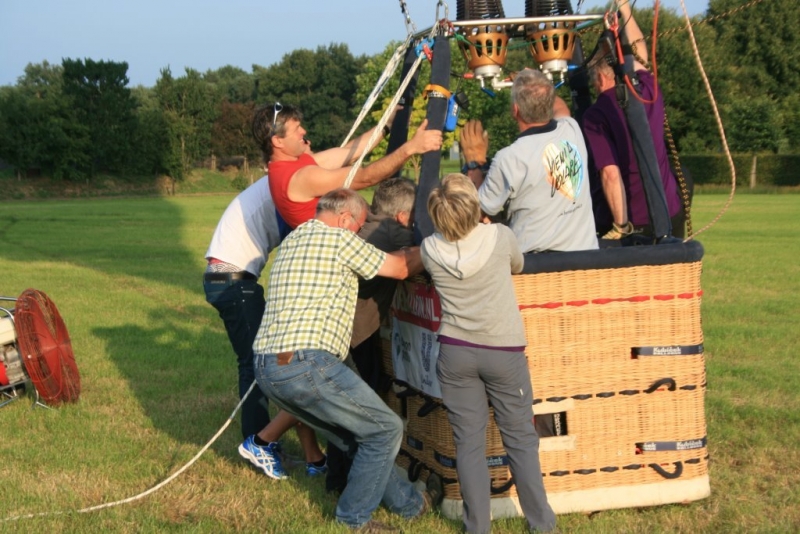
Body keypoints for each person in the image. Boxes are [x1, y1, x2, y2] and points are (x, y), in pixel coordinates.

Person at [252, 188, 440, 532]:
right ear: (343, 219)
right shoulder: (339, 239)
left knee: (358, 436)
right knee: (386, 429)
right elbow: (400, 268)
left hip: (268, 367)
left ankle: (409, 505)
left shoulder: (295, 239)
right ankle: (353, 519)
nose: (360, 233)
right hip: (307, 363)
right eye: (359, 226)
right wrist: (435, 247)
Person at [420, 173, 557, 534]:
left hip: (455, 352)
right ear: (474, 205)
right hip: (503, 351)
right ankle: (542, 524)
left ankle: (477, 527)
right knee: (521, 440)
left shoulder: (429, 248)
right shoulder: (500, 236)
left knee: (468, 444)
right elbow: (518, 264)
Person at [203, 176, 327, 481]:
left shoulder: (284, 183)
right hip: (232, 280)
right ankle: (259, 444)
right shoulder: (289, 182)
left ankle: (302, 452)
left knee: (268, 361)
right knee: (259, 364)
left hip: (227, 278)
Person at [325, 177, 416, 495]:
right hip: (355, 335)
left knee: (344, 406)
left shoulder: (370, 225)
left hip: (343, 330)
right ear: (403, 215)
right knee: (359, 410)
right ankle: (349, 480)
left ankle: (337, 476)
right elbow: (429, 246)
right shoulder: (393, 232)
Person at [459, 69, 598, 254]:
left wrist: (474, 162)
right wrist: (533, 80)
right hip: (587, 257)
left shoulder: (510, 158)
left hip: (537, 264)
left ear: (515, 110)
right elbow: (561, 107)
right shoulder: (572, 130)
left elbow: (478, 211)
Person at [251, 102, 442, 230]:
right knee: (418, 239)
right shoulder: (301, 178)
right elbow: (366, 177)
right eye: (296, 129)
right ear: (277, 141)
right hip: (342, 251)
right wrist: (411, 148)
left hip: (354, 232)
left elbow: (350, 151)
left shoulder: (290, 164)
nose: (304, 131)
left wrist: (387, 125)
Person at [581, 0, 683, 239]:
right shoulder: (647, 89)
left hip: (636, 222)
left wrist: (621, 225)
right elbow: (640, 52)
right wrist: (624, 6)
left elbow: (610, 174)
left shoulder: (596, 115)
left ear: (599, 78)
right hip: (670, 210)